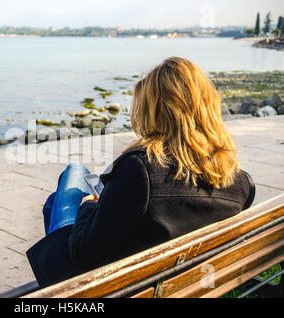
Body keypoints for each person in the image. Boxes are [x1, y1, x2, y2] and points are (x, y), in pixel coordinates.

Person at [26, 57, 255, 288]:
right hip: (186, 283)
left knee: (72, 177)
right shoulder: (241, 182)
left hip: (112, 287)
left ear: (154, 111)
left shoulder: (141, 171)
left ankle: (57, 286)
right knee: (61, 195)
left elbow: (85, 255)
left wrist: (88, 206)